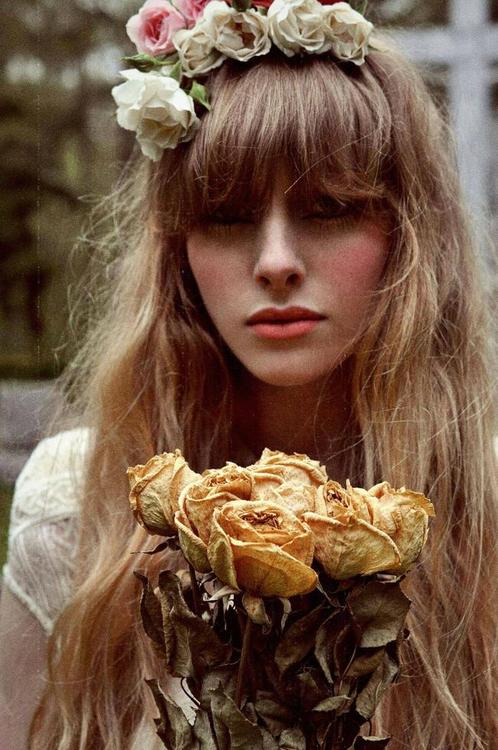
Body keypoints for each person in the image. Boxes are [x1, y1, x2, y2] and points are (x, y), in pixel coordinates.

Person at [0, 1, 497, 748]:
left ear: (408, 237)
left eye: (330, 208)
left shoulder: (486, 507)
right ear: (178, 248)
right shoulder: (77, 511)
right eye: (227, 216)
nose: (276, 263)